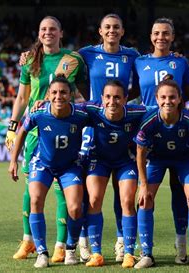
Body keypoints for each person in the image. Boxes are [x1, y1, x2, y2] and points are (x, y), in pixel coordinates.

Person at [5, 16, 86, 263]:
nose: (48, 32)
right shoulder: (29, 60)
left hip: (63, 129)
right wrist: (12, 126)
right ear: (38, 34)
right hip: (34, 133)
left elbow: (84, 94)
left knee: (64, 192)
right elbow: (21, 97)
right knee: (33, 191)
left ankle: (61, 245)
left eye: (52, 29)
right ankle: (29, 241)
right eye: (43, 29)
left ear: (61, 33)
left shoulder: (74, 60)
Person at [8, 75, 89, 268]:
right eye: (54, 92)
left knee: (76, 208)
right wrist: (13, 160)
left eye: (63, 92)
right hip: (42, 164)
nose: (58, 96)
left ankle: (70, 249)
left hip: (69, 166)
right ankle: (42, 252)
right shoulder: (39, 113)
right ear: (48, 95)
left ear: (70, 94)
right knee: (35, 200)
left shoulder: (81, 115)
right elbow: (22, 132)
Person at [78, 13, 140, 262]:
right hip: (95, 125)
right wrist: (32, 54)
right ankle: (87, 244)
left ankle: (123, 243)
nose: (112, 30)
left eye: (116, 27)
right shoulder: (86, 53)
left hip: (122, 126)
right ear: (100, 31)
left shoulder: (133, 55)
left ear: (122, 31)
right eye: (107, 27)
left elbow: (145, 78)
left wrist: (124, 98)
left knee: (123, 195)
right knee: (92, 195)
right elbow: (62, 63)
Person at [133, 17, 189, 264]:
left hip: (178, 137)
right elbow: (129, 92)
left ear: (173, 36)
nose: (161, 37)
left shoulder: (181, 62)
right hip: (150, 137)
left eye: (166, 33)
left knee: (182, 196)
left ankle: (182, 249)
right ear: (150, 36)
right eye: (157, 33)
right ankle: (145, 251)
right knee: (144, 195)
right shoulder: (138, 61)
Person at [133, 76, 189, 270]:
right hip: (157, 160)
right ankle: (147, 253)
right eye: (163, 97)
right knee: (145, 199)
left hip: (184, 160)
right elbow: (140, 154)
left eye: (172, 97)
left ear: (180, 98)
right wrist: (142, 185)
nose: (168, 101)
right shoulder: (148, 121)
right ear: (156, 99)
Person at [78, 80, 147, 267]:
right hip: (99, 160)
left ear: (125, 99)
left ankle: (129, 253)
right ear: (102, 98)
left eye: (117, 97)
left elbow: (161, 110)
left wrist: (188, 111)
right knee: (94, 200)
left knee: (127, 201)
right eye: (108, 97)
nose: (112, 101)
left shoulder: (137, 112)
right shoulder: (92, 109)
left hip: (125, 161)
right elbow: (66, 106)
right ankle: (96, 253)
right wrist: (43, 103)